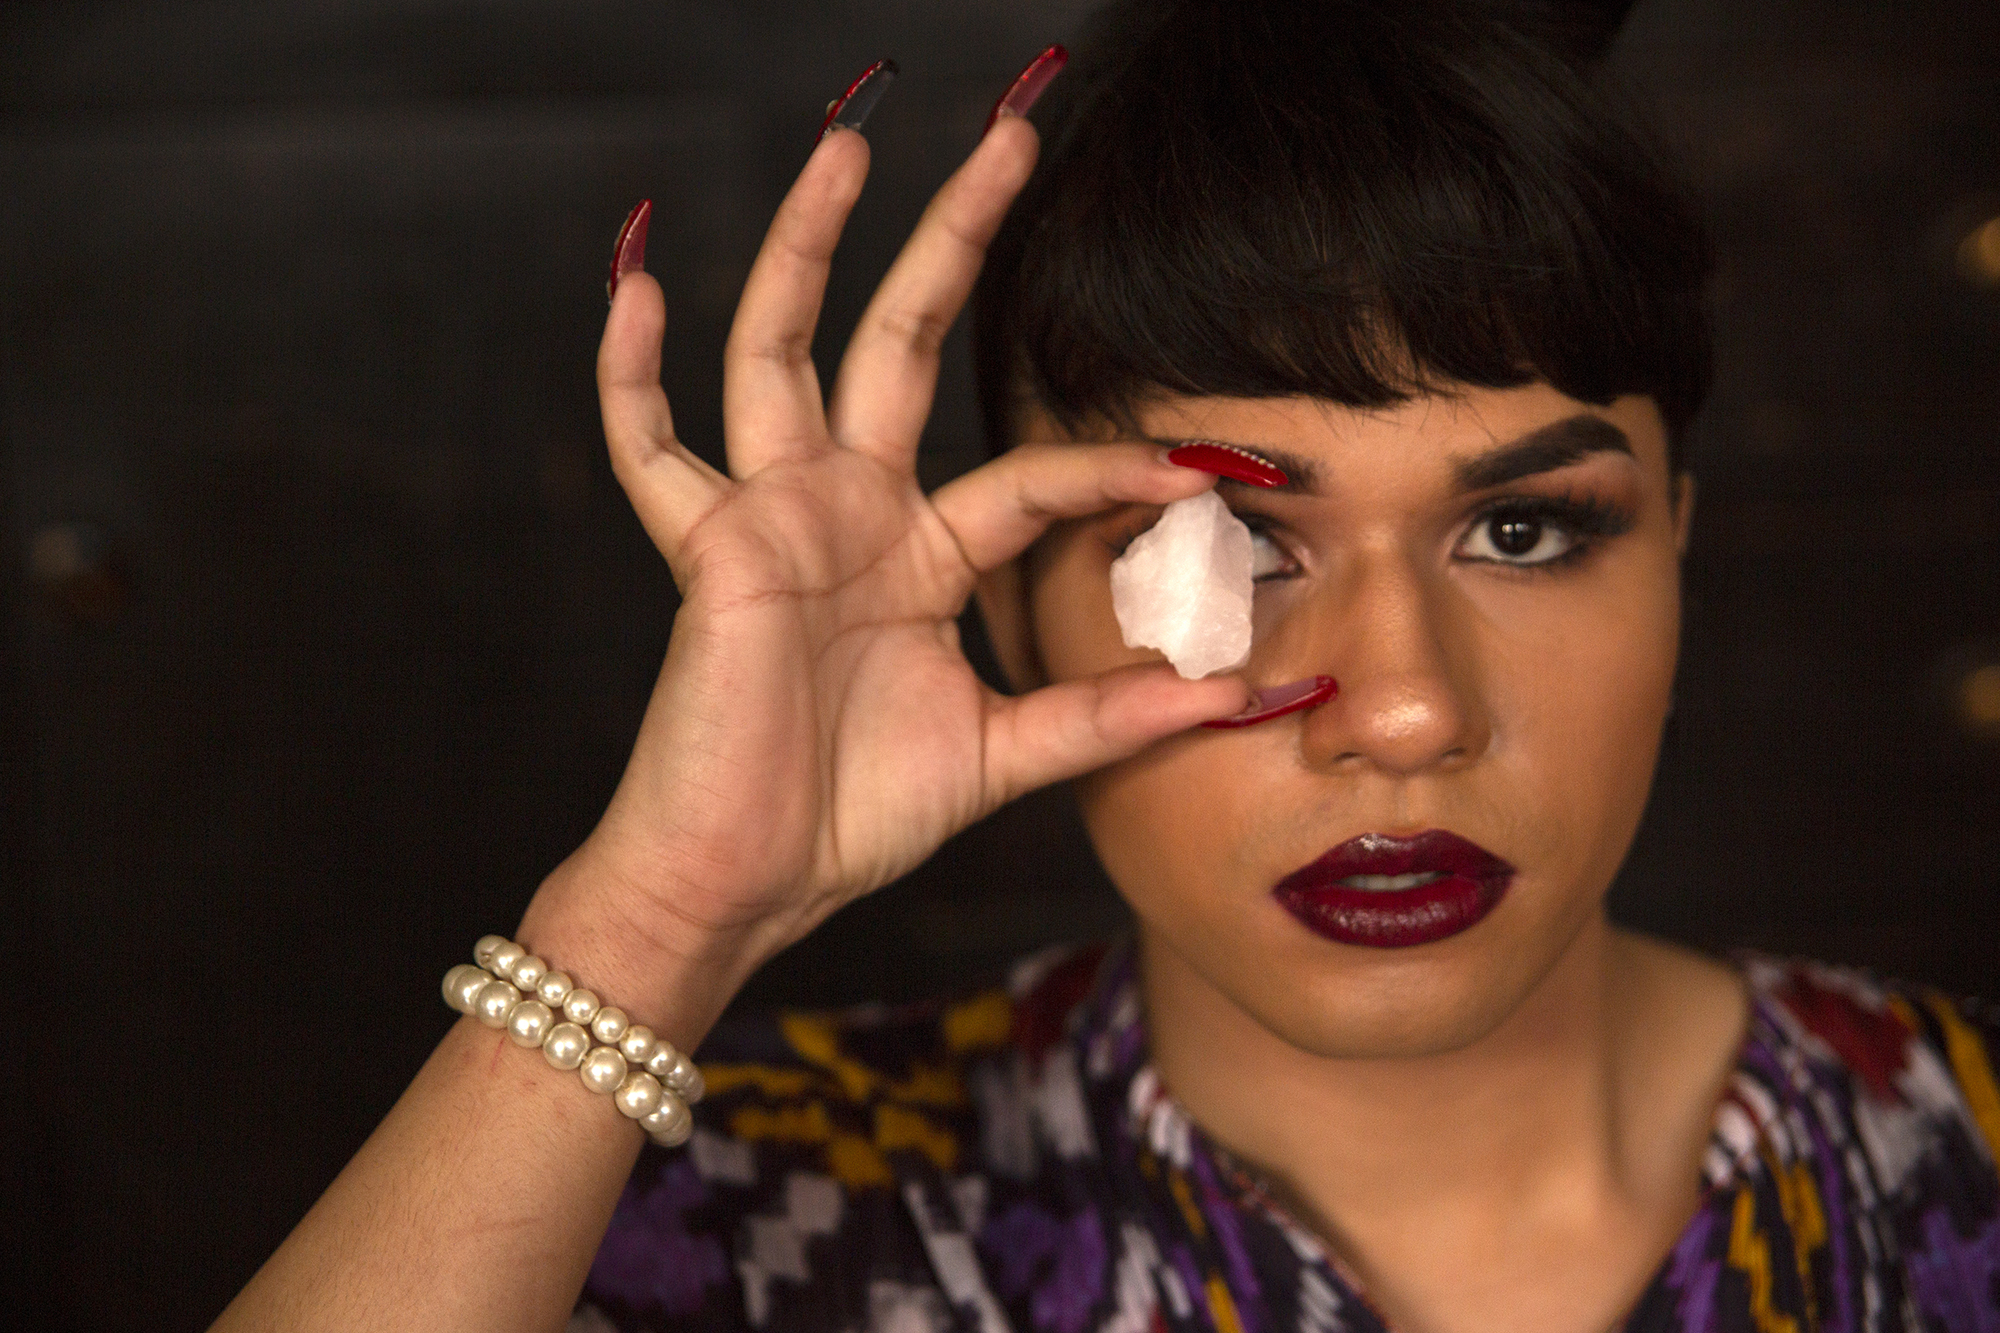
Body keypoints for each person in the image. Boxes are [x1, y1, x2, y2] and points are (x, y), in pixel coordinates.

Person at [211, 2, 2000, 1331]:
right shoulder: (742, 1207)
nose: (1403, 708)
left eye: (1523, 533)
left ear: (1674, 547)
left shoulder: (1963, 1156)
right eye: (1234, 543)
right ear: (1002, 600)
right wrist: (651, 922)